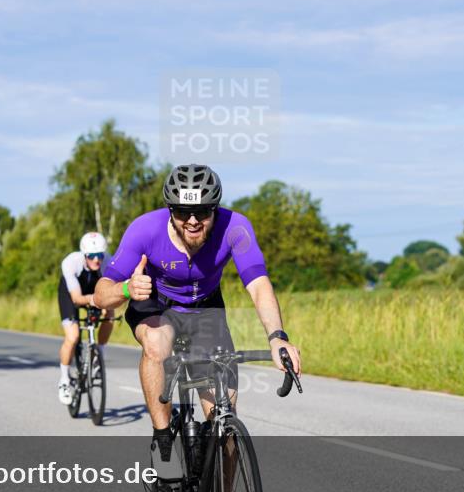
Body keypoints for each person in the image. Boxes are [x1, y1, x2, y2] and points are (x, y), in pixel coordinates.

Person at [93, 163, 302, 474]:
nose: (192, 221)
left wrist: (277, 338)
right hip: (156, 304)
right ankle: (163, 440)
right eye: (182, 212)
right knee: (157, 343)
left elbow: (259, 285)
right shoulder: (145, 230)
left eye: (202, 212)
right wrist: (126, 288)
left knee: (224, 422)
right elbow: (101, 294)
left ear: (214, 208)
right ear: (170, 210)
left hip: (205, 310)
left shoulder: (235, 228)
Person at [57, 232, 115, 404]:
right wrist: (96, 300)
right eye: (91, 256)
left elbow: (112, 291)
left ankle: (99, 355)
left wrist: (105, 305)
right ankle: (64, 380)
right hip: (71, 294)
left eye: (100, 255)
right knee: (73, 336)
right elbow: (76, 298)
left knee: (110, 314)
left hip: (95, 290)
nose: (96, 260)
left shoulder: (108, 261)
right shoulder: (70, 262)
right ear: (84, 255)